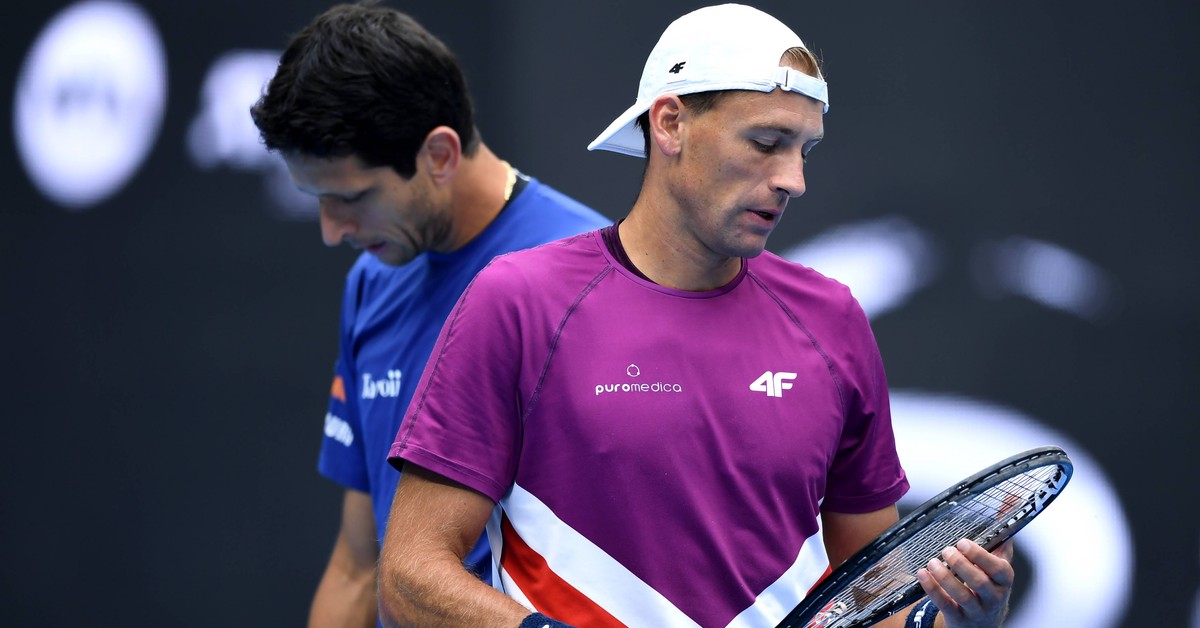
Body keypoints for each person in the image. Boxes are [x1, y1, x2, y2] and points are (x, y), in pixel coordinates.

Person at [377, 4, 1015, 627]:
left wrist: (956, 622)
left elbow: (875, 604)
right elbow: (410, 577)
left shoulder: (833, 319)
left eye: (805, 150)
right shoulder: (518, 300)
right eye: (767, 143)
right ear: (670, 124)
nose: (793, 179)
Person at [249, 2, 610, 626]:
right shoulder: (371, 282)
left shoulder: (595, 281)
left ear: (440, 154)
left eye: (351, 197)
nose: (332, 231)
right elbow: (358, 566)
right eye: (317, 200)